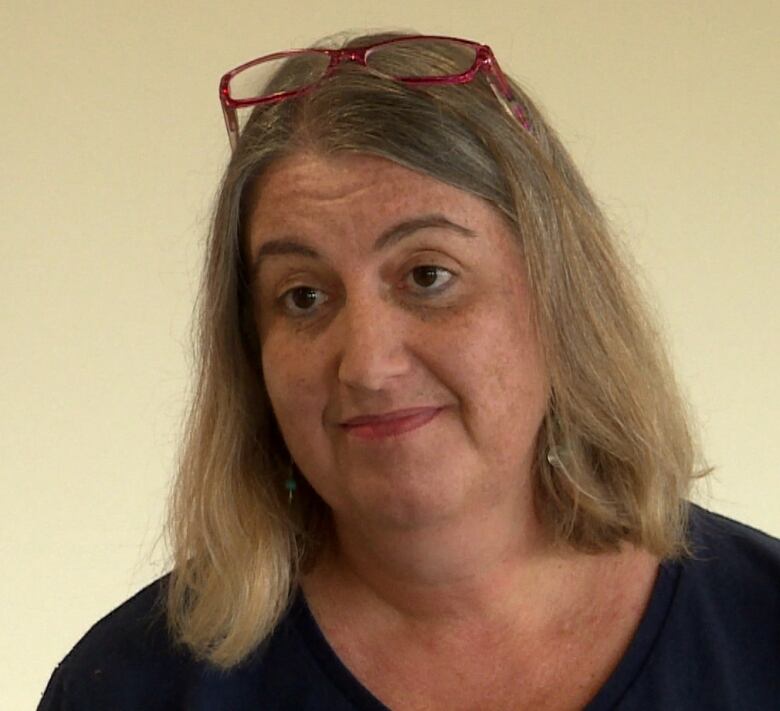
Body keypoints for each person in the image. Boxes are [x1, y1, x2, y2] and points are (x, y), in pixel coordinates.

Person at [38, 32, 779, 710]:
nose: (368, 364)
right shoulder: (129, 685)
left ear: (560, 297)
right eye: (303, 296)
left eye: (427, 275)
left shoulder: (760, 629)